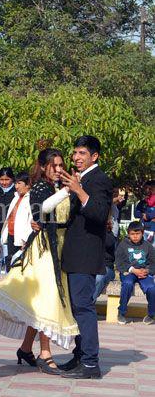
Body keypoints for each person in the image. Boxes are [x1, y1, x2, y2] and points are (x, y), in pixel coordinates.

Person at [0, 148, 78, 375]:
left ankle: (26, 349)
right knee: (48, 298)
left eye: (61, 165)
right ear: (43, 167)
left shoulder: (56, 187)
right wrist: (66, 190)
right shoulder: (41, 188)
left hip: (58, 247)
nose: (58, 169)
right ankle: (45, 353)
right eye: (54, 165)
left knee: (41, 301)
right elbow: (41, 211)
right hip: (43, 249)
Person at [57, 135, 113, 379]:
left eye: (81, 153)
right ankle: (80, 356)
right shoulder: (80, 178)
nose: (76, 158)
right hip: (73, 252)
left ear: (94, 156)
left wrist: (78, 190)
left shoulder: (100, 180)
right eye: (75, 153)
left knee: (84, 308)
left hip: (86, 254)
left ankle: (91, 363)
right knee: (76, 308)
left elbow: (100, 214)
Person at [114, 221, 155, 325]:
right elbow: (119, 263)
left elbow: (153, 263)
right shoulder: (123, 245)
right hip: (129, 272)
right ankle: (121, 312)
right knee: (127, 284)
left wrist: (147, 270)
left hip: (143, 273)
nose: (135, 236)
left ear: (142, 233)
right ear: (128, 234)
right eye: (132, 234)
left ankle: (151, 314)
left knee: (151, 288)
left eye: (138, 234)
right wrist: (133, 270)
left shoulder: (148, 246)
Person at [1, 171, 33, 267]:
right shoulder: (16, 197)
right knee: (10, 264)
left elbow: (31, 220)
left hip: (22, 239)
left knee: (20, 266)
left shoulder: (31, 198)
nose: (16, 186)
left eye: (19, 183)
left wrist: (27, 239)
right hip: (12, 236)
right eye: (16, 183)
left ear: (28, 185)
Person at [93, 219, 118, 304]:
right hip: (92, 267)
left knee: (99, 278)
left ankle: (88, 304)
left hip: (107, 269)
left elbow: (108, 243)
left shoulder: (110, 237)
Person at [135, 181, 155, 245]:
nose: (147, 190)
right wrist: (142, 215)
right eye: (146, 188)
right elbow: (136, 214)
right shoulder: (143, 202)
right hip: (143, 231)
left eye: (150, 188)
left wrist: (149, 216)